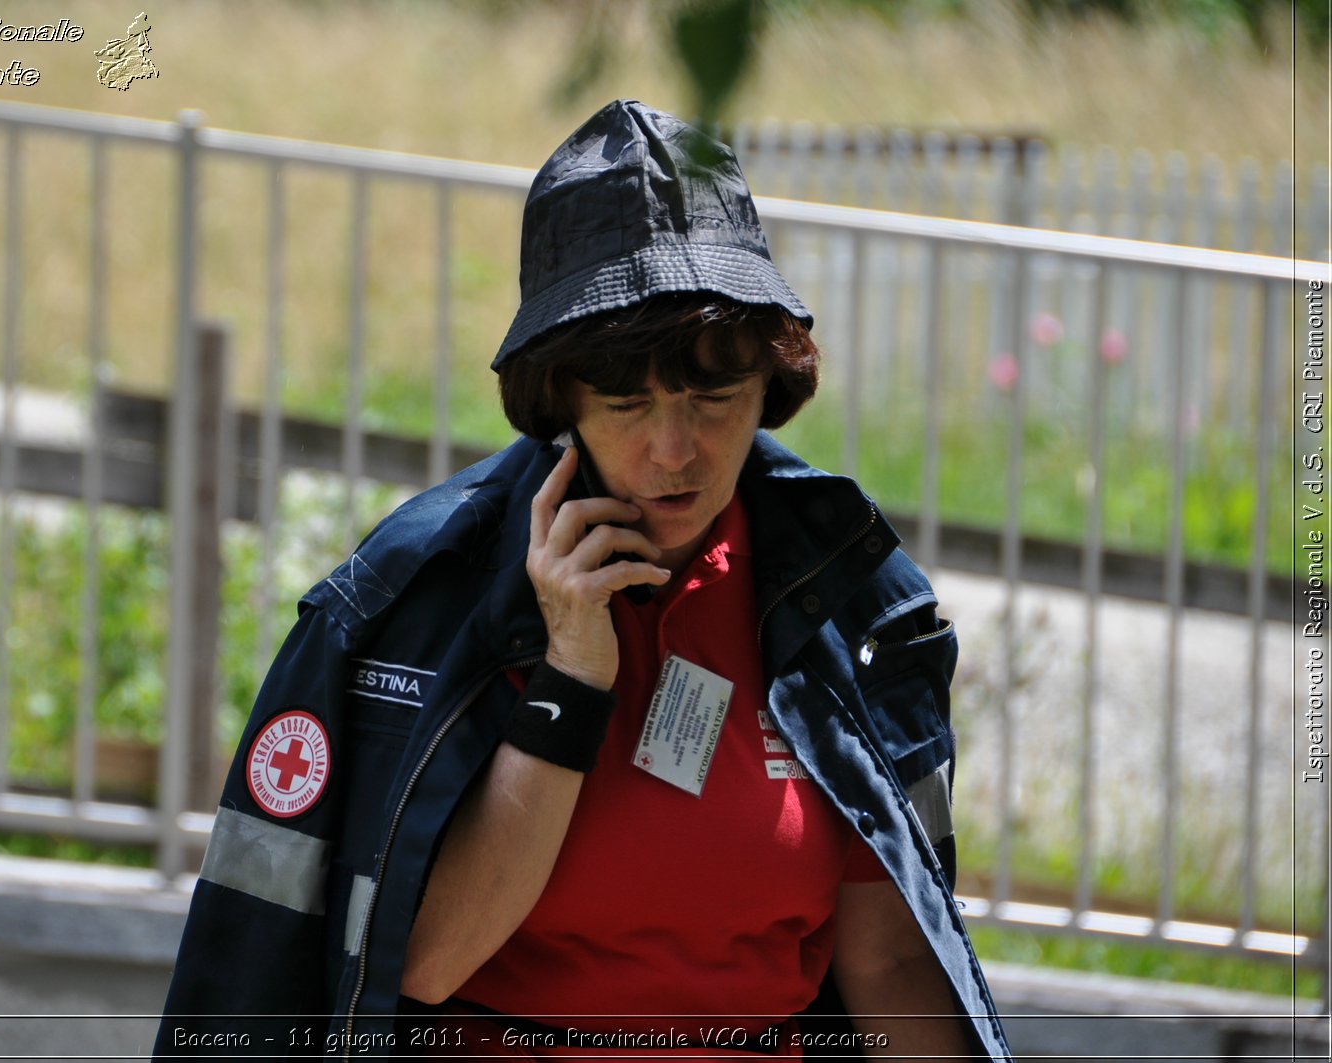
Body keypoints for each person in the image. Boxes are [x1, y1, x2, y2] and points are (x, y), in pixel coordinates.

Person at [154, 100, 1011, 1061]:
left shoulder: (854, 601)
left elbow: (891, 969)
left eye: (716, 397)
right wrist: (570, 677)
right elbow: (423, 963)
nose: (674, 449)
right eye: (625, 401)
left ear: (773, 382)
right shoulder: (411, 594)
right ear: (557, 396)